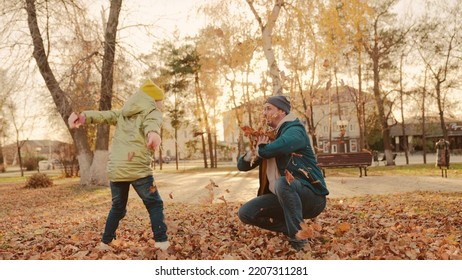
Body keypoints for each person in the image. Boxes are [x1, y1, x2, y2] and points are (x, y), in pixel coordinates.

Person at [68, 79, 170, 251]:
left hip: (116, 169)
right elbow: (152, 124)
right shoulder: (152, 111)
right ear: (154, 101)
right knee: (154, 204)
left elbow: (103, 115)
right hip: (138, 169)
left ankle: (105, 243)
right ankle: (161, 241)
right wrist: (153, 134)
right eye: (160, 102)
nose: (161, 106)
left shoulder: (123, 113)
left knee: (117, 207)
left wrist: (83, 116)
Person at [237, 95, 329, 251]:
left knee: (283, 181)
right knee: (246, 212)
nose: (264, 113)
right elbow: (242, 166)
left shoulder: (295, 129)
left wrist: (261, 150)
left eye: (268, 108)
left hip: (312, 197)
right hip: (284, 197)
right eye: (263, 109)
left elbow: (280, 146)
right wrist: (253, 152)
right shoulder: (271, 137)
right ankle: (293, 228)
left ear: (281, 111)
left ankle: (299, 240)